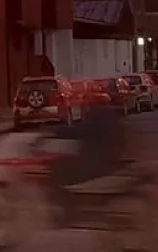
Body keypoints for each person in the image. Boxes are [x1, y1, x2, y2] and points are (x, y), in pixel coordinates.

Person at [41, 95, 130, 225]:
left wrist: (56, 133)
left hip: (95, 161)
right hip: (104, 158)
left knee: (58, 170)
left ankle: (69, 211)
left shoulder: (99, 117)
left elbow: (81, 130)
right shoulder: (109, 117)